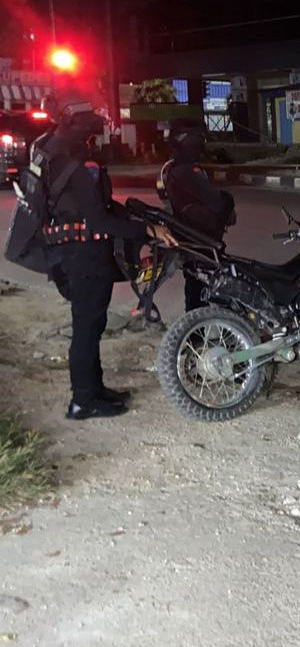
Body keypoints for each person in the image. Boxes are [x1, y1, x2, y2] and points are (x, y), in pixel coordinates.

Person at [37, 94, 177, 420]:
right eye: (88, 126)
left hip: (73, 254)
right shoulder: (73, 165)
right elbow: (99, 220)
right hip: (83, 257)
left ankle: (94, 389)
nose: (94, 133)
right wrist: (147, 233)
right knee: (86, 327)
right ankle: (83, 401)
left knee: (92, 324)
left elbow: (100, 208)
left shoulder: (58, 155)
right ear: (73, 124)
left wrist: (142, 222)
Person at [156, 118, 236, 310]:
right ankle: (200, 331)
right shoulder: (187, 171)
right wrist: (228, 201)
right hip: (200, 236)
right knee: (207, 285)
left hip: (190, 234)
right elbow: (216, 201)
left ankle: (195, 330)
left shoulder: (170, 168)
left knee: (196, 284)